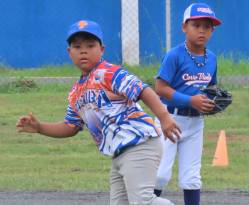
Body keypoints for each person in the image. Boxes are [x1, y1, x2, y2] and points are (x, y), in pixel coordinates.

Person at [16, 20, 181, 205]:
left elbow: (143, 90)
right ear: (69, 53)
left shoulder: (108, 72)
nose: (83, 50)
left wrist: (164, 118)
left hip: (139, 144)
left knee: (143, 201)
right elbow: (70, 126)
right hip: (119, 155)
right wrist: (40, 127)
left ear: (102, 49)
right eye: (77, 46)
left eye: (90, 45)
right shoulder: (76, 93)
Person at [153, 3, 221, 205]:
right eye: (196, 25)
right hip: (170, 119)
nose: (202, 30)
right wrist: (190, 100)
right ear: (184, 27)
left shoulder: (212, 58)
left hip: (195, 122)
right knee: (160, 174)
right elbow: (160, 87)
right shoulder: (174, 55)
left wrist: (214, 100)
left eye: (207, 26)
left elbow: (211, 87)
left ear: (212, 30)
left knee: (191, 176)